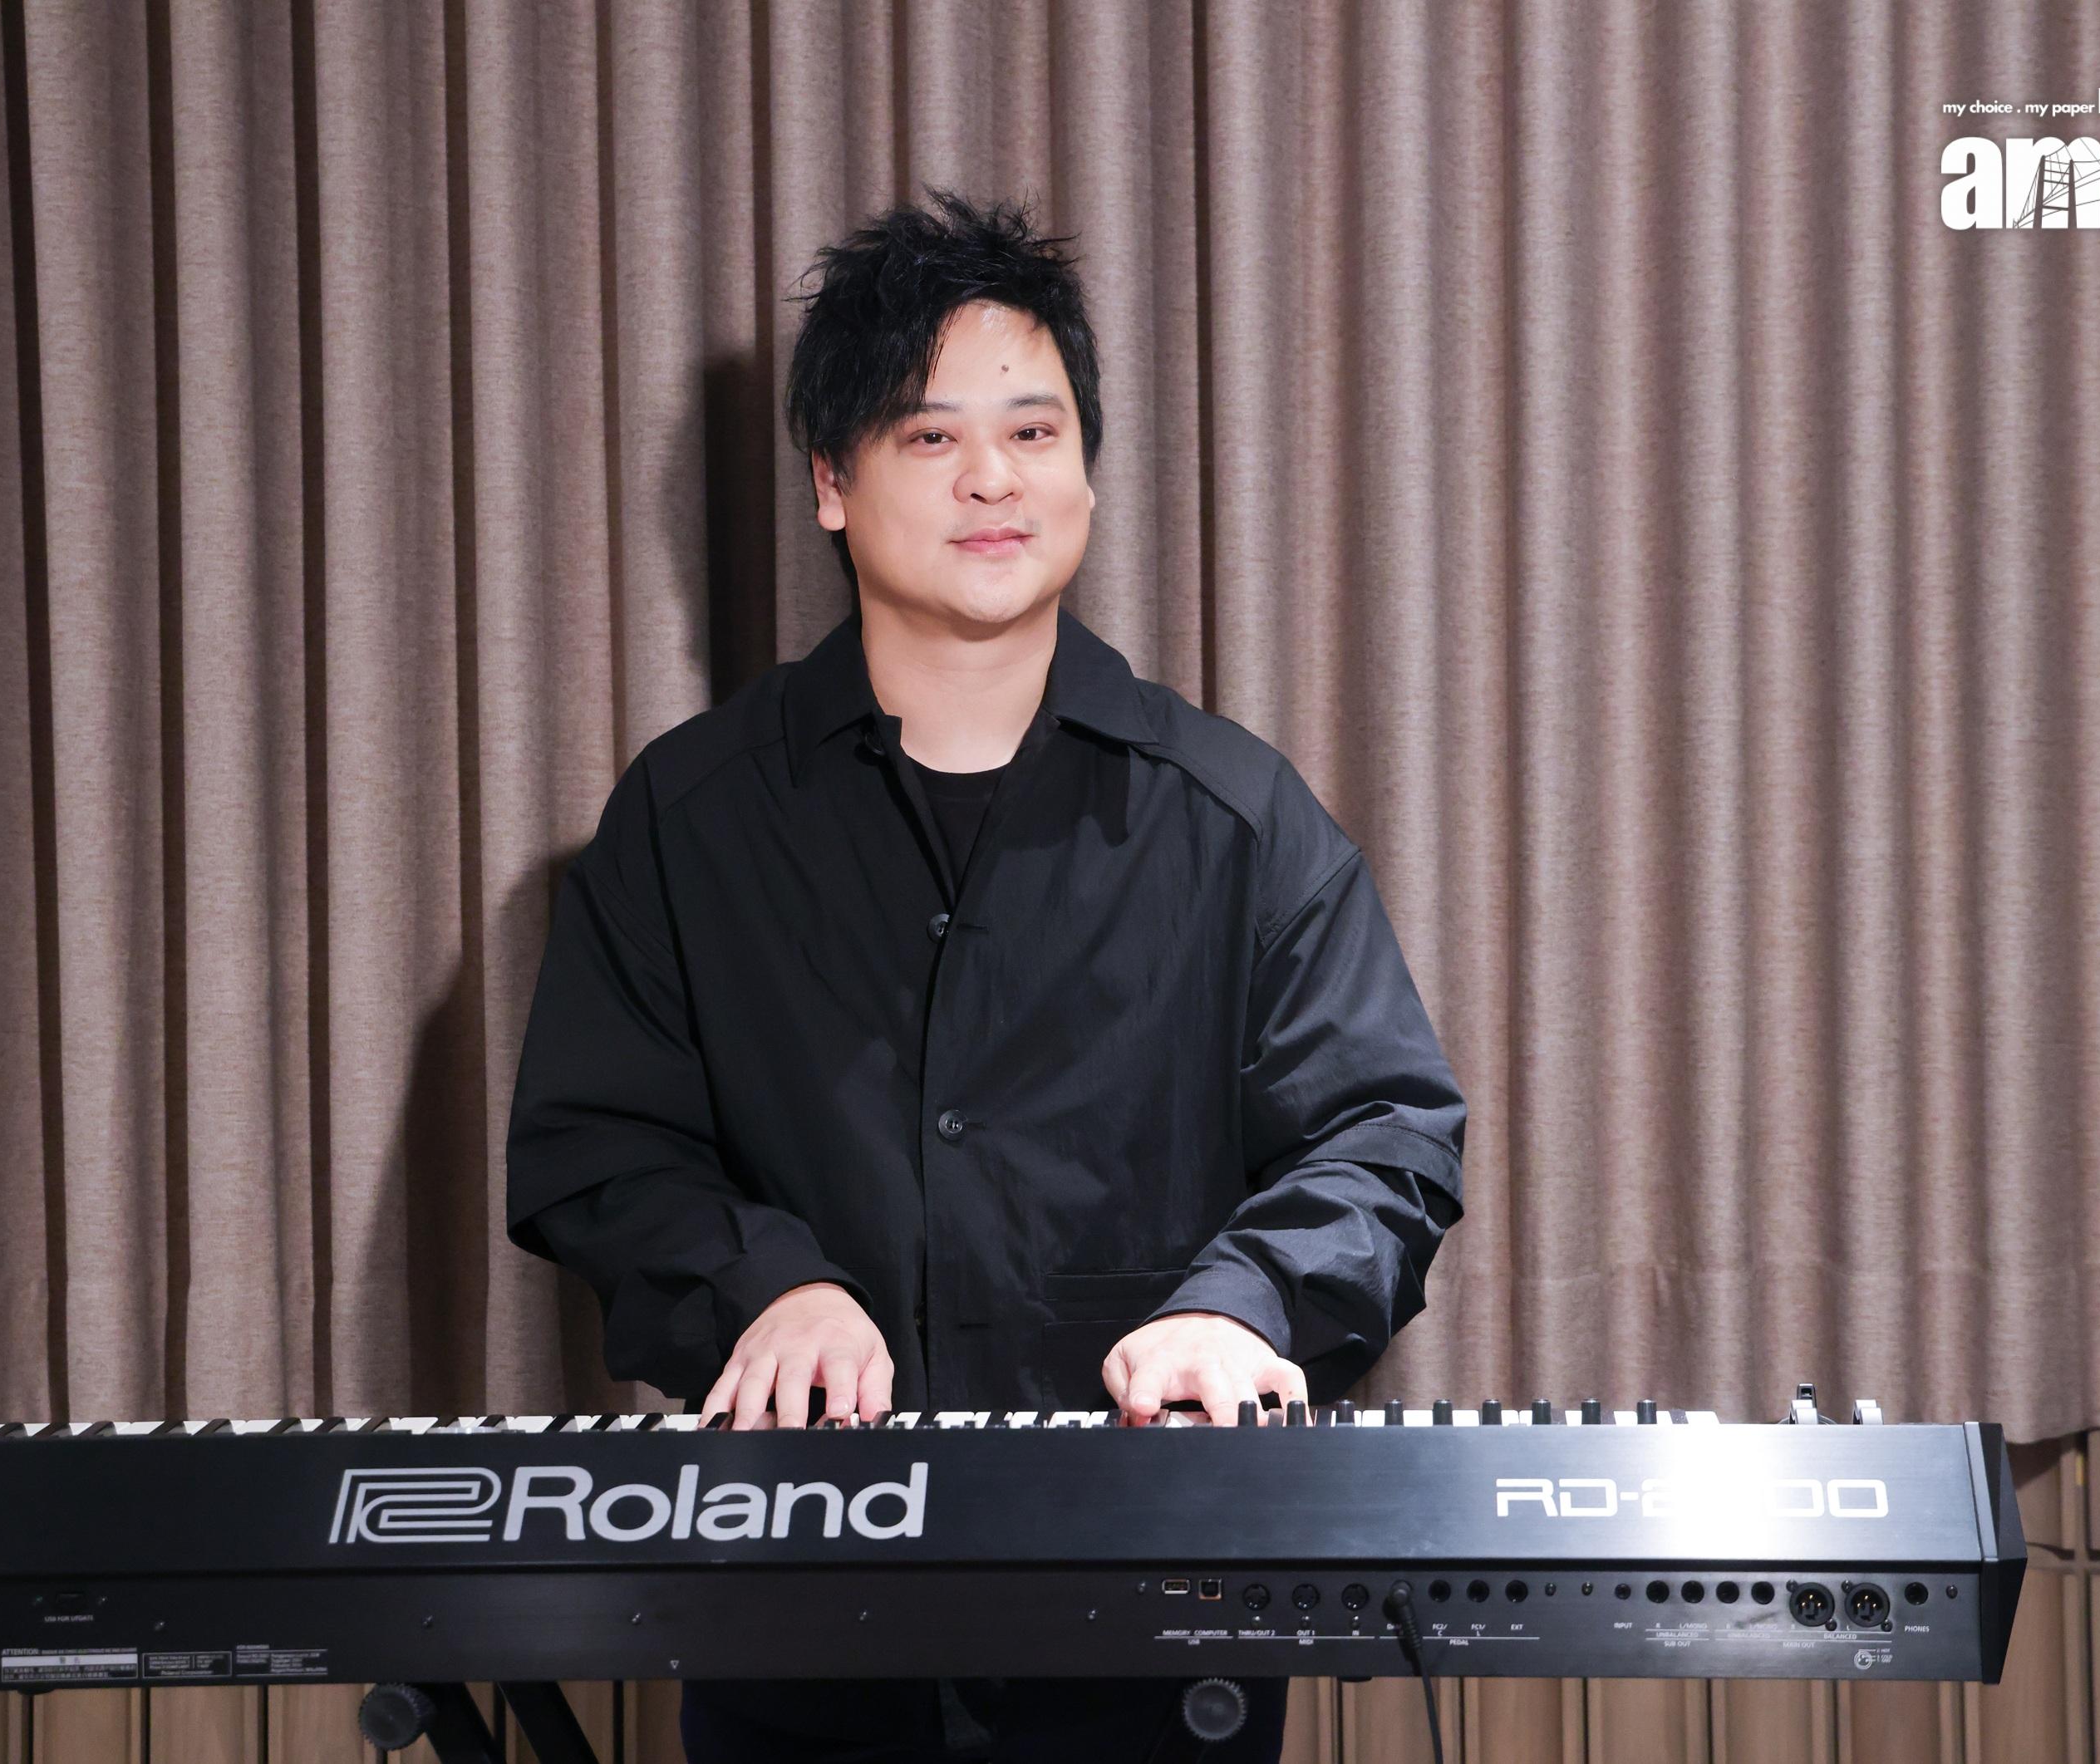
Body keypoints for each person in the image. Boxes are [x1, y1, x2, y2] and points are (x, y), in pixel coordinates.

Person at [504, 188, 1466, 1764]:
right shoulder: (689, 816)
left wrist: (1247, 1305)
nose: (993, 479)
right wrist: (767, 1285)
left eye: (1033, 432)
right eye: (930, 437)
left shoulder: (1236, 816)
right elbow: (597, 1148)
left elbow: (1386, 1132)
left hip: (1160, 1616)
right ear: (832, 483)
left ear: (1087, 468)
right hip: (792, 1620)